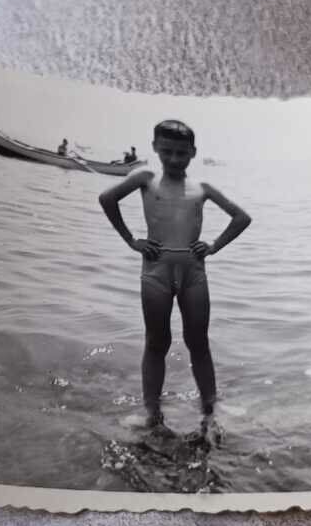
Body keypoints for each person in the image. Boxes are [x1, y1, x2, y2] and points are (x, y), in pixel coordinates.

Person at [97, 119, 251, 438]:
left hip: (194, 271)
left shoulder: (202, 188)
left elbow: (241, 217)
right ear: (155, 148)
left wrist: (213, 246)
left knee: (199, 343)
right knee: (157, 342)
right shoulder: (145, 178)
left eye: (182, 153)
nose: (174, 159)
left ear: (193, 153)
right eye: (167, 151)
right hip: (156, 270)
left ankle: (210, 412)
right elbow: (107, 199)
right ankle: (151, 414)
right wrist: (131, 240)